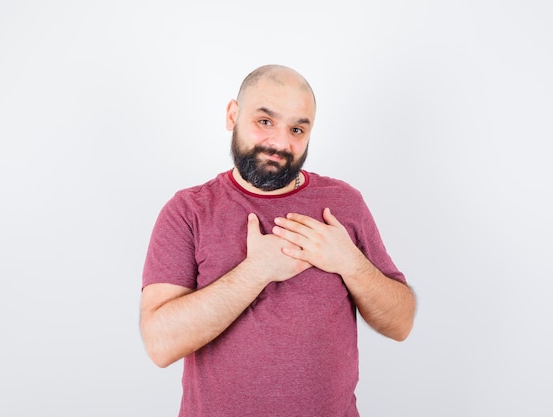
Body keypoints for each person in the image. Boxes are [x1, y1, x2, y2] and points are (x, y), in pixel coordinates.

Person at [140, 64, 416, 416]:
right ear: (232, 115)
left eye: (297, 129)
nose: (281, 143)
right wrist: (256, 272)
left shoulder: (345, 204)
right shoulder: (188, 210)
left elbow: (401, 323)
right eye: (265, 122)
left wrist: (350, 263)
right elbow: (160, 344)